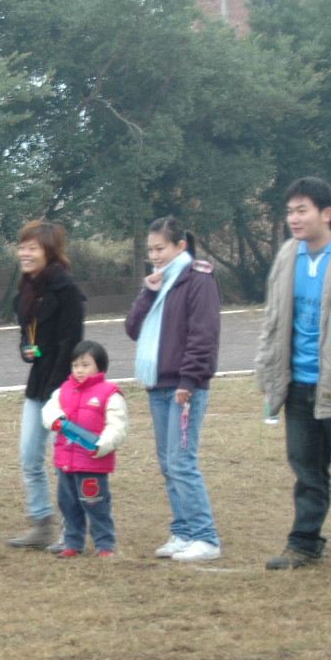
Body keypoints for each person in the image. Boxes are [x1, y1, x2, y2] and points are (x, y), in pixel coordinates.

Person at [254, 177, 331, 574]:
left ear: (327, 213)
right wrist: (269, 374)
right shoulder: (288, 254)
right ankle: (304, 544)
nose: (294, 218)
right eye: (290, 211)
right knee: (306, 472)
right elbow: (273, 319)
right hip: (298, 385)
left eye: (302, 210)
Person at [125, 216, 222, 562]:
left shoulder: (198, 277)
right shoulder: (159, 282)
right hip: (158, 385)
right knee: (168, 463)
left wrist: (189, 381)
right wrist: (148, 293)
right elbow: (133, 328)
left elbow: (203, 334)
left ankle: (205, 537)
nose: (155, 256)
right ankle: (183, 532)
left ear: (180, 246)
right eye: (150, 250)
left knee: (182, 462)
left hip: (184, 387)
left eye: (160, 248)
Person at [7, 220, 86, 551]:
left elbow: (71, 343)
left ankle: (73, 529)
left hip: (63, 388)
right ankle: (41, 524)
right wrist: (26, 349)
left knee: (67, 460)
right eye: (22, 247)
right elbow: (26, 336)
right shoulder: (26, 291)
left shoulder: (66, 290)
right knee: (29, 455)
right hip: (37, 385)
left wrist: (59, 391)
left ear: (49, 252)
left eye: (32, 248)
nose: (24, 253)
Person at [41, 340, 126, 558]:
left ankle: (104, 545)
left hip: (92, 463)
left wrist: (101, 445)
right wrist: (56, 420)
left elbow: (117, 427)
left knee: (96, 505)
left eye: (85, 365)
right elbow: (49, 410)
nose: (79, 370)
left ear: (100, 366)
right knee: (68, 505)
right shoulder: (63, 390)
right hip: (66, 463)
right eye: (75, 365)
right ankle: (72, 543)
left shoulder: (110, 394)